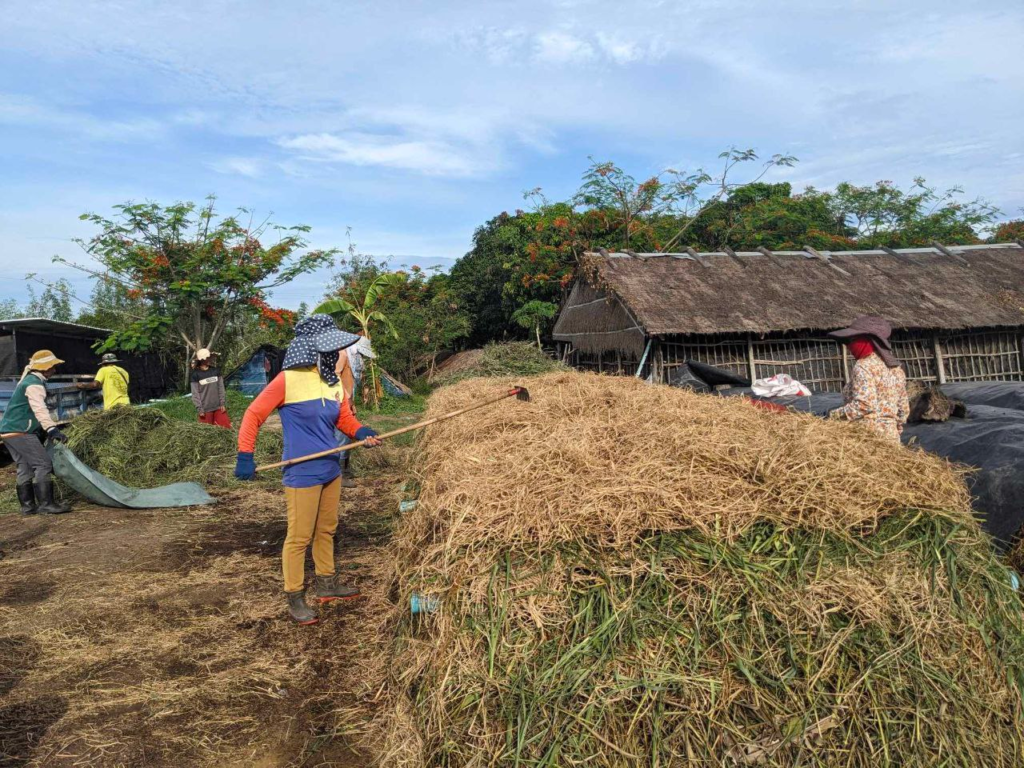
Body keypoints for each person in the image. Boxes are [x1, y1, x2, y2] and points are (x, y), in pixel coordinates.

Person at [233, 315, 381, 625]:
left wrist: (361, 431)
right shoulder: (287, 380)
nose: (337, 353)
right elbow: (253, 414)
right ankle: (295, 595)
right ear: (312, 348)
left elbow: (343, 420)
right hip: (302, 473)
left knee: (326, 529)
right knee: (299, 537)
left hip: (330, 469)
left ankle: (327, 584)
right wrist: (245, 455)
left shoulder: (332, 383)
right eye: (331, 348)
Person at [0, 350, 72, 515]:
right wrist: (51, 429)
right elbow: (39, 409)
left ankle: (28, 507)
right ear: (45, 368)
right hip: (21, 431)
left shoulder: (27, 380)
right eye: (53, 367)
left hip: (8, 432)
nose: (54, 370)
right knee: (43, 464)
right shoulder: (34, 384)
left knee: (24, 467)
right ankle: (46, 504)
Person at [828, 315, 910, 443]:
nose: (850, 346)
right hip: (891, 438)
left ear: (866, 341)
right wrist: (895, 427)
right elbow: (903, 410)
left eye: (853, 340)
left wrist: (833, 415)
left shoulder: (864, 366)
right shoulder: (896, 369)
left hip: (867, 438)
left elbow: (864, 405)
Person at [337, 333, 374, 486]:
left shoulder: (355, 359)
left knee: (347, 438)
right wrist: (345, 400)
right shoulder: (342, 355)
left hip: (348, 402)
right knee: (340, 439)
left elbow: (354, 381)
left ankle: (346, 469)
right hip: (339, 403)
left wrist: (353, 403)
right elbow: (335, 378)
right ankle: (338, 476)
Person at [190, 348, 231, 428]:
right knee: (206, 434)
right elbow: (195, 394)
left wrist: (222, 403)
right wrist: (200, 409)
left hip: (218, 408)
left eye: (210, 357)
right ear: (202, 360)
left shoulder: (215, 371)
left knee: (226, 430)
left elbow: (221, 388)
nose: (210, 359)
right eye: (207, 357)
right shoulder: (196, 375)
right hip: (205, 410)